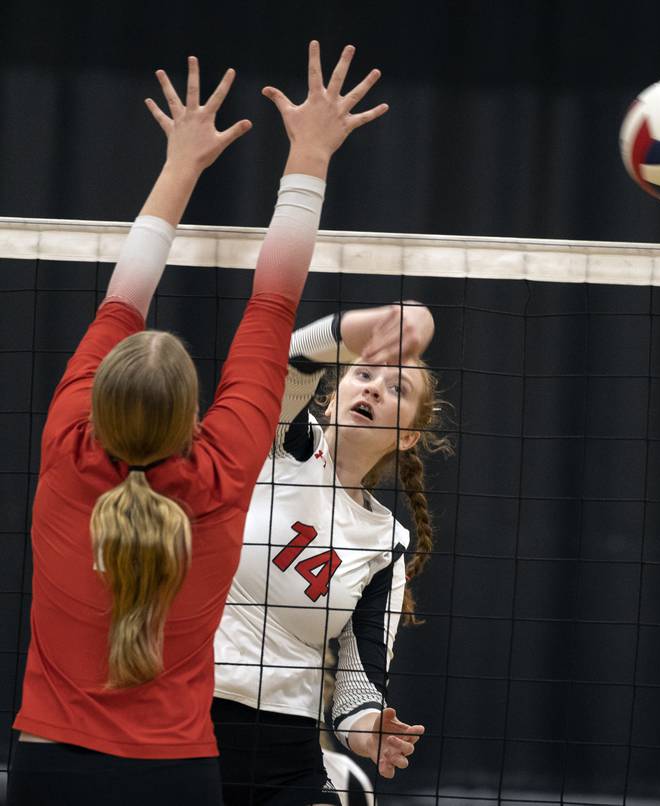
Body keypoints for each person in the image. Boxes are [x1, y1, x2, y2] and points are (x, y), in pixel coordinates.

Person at [8, 42, 387, 806]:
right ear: (193, 416)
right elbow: (275, 300)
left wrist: (179, 164)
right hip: (176, 777)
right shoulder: (222, 470)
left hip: (51, 769)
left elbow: (123, 298)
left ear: (96, 402)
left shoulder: (65, 446)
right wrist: (309, 154)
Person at [212, 291, 453, 806]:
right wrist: (363, 328)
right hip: (187, 719)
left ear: (407, 436)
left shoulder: (387, 543)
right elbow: (293, 356)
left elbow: (357, 684)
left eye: (396, 388)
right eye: (364, 375)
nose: (374, 388)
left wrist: (372, 731)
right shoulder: (284, 445)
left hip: (285, 753)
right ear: (332, 393)